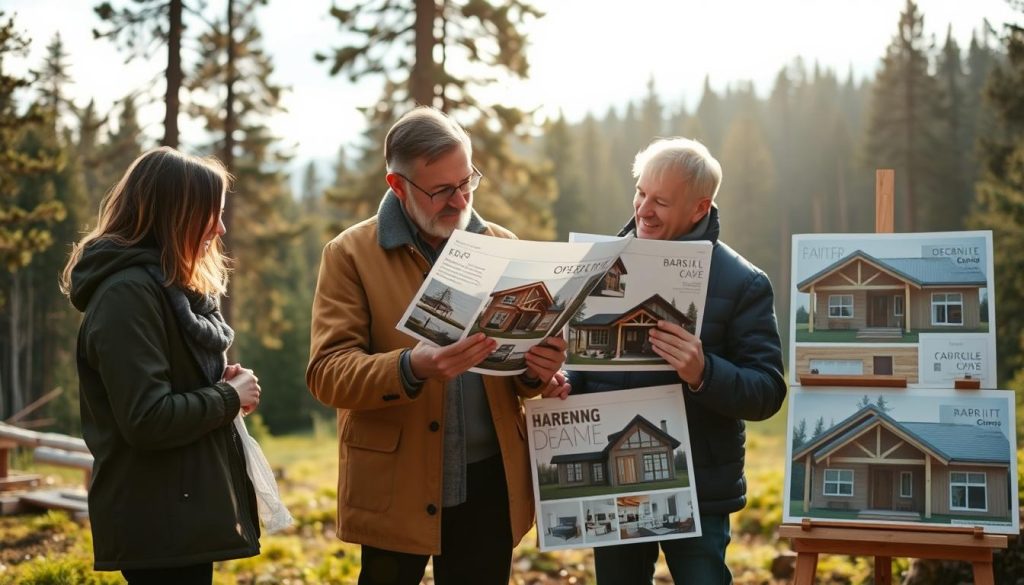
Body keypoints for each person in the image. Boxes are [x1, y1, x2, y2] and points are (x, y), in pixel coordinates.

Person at [306, 106, 570, 585]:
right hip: (395, 482)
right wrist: (412, 366)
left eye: (466, 181)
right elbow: (327, 373)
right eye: (441, 190)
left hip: (491, 479)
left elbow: (515, 376)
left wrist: (536, 371)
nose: (459, 199)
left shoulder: (501, 242)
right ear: (397, 185)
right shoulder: (349, 255)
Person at [569, 138, 787, 584]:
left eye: (661, 201)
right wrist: (562, 380)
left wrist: (703, 373)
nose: (643, 210)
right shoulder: (597, 266)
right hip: (615, 481)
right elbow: (581, 366)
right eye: (640, 192)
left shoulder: (744, 282)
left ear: (699, 208)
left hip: (699, 489)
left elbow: (766, 391)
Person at [61, 147, 263, 585]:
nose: (220, 227)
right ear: (176, 214)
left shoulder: (162, 288)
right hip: (156, 521)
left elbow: (165, 384)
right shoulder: (127, 296)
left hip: (178, 514)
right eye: (211, 213)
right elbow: (147, 419)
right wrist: (227, 397)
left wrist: (213, 382)